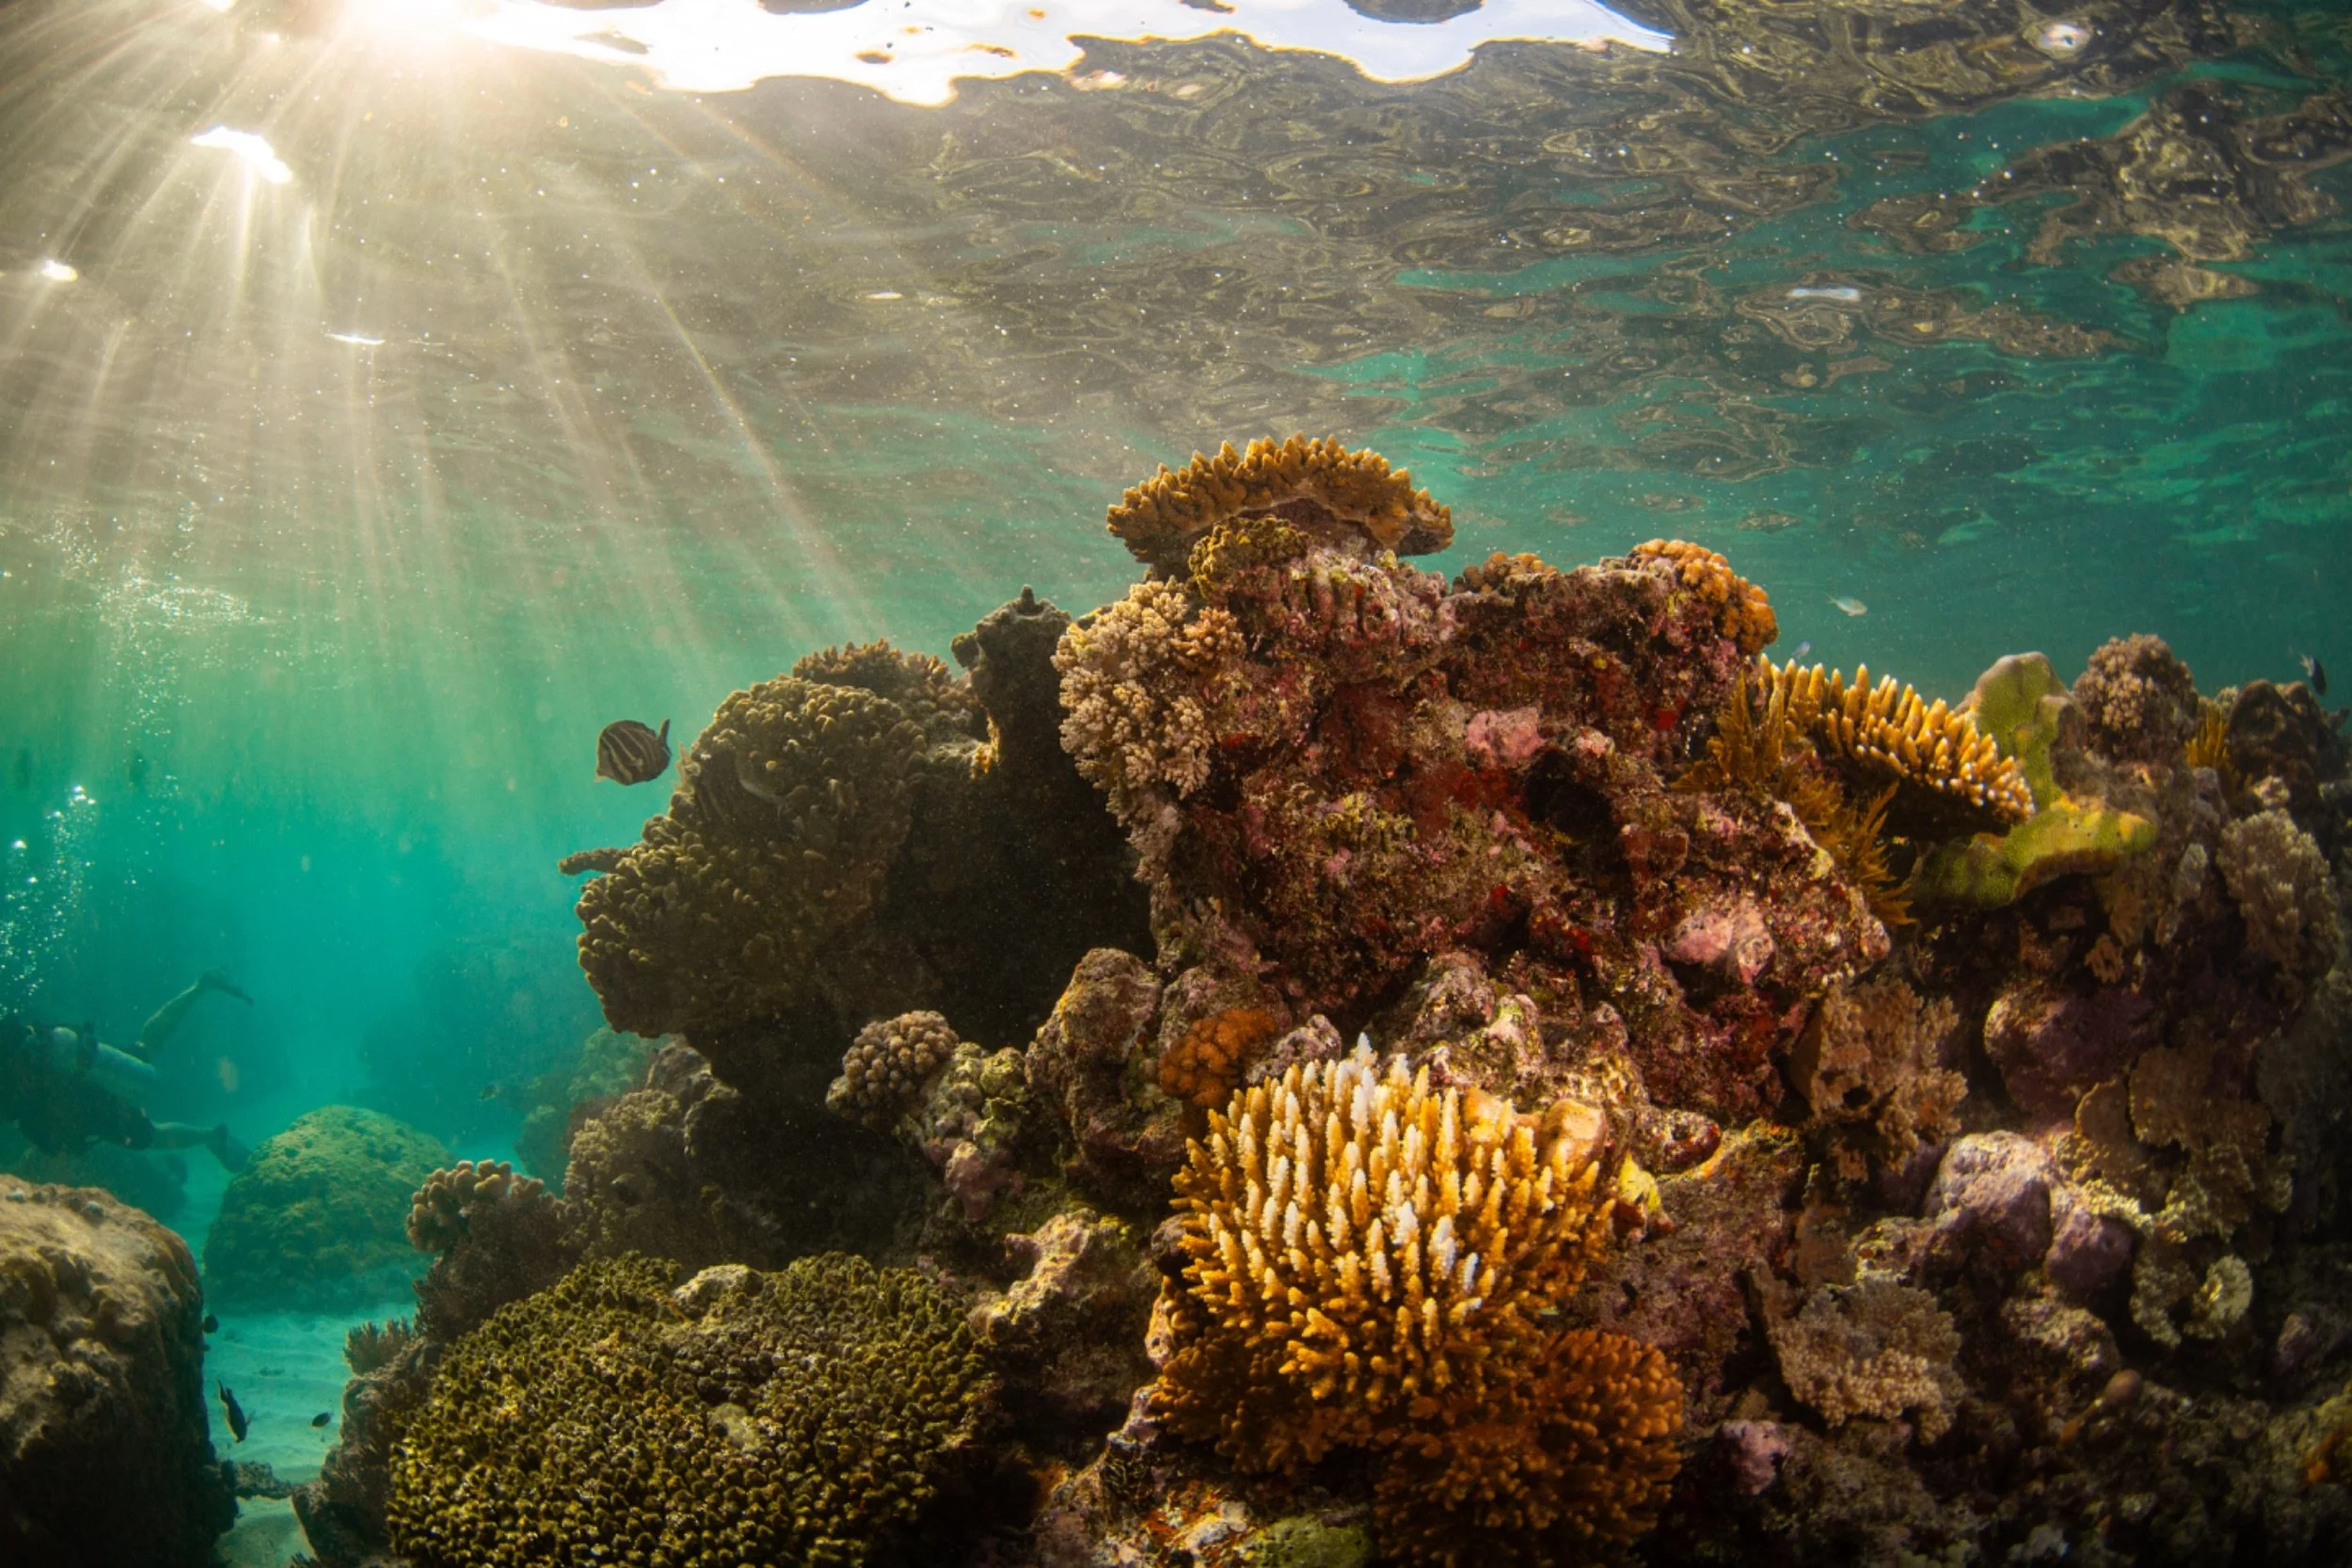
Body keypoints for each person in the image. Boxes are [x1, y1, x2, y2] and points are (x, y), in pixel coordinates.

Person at [0, 972, 252, 1172]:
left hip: (65, 1082)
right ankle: (200, 987)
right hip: (63, 1049)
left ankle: (213, 1137)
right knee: (143, 1050)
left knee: (148, 1135)